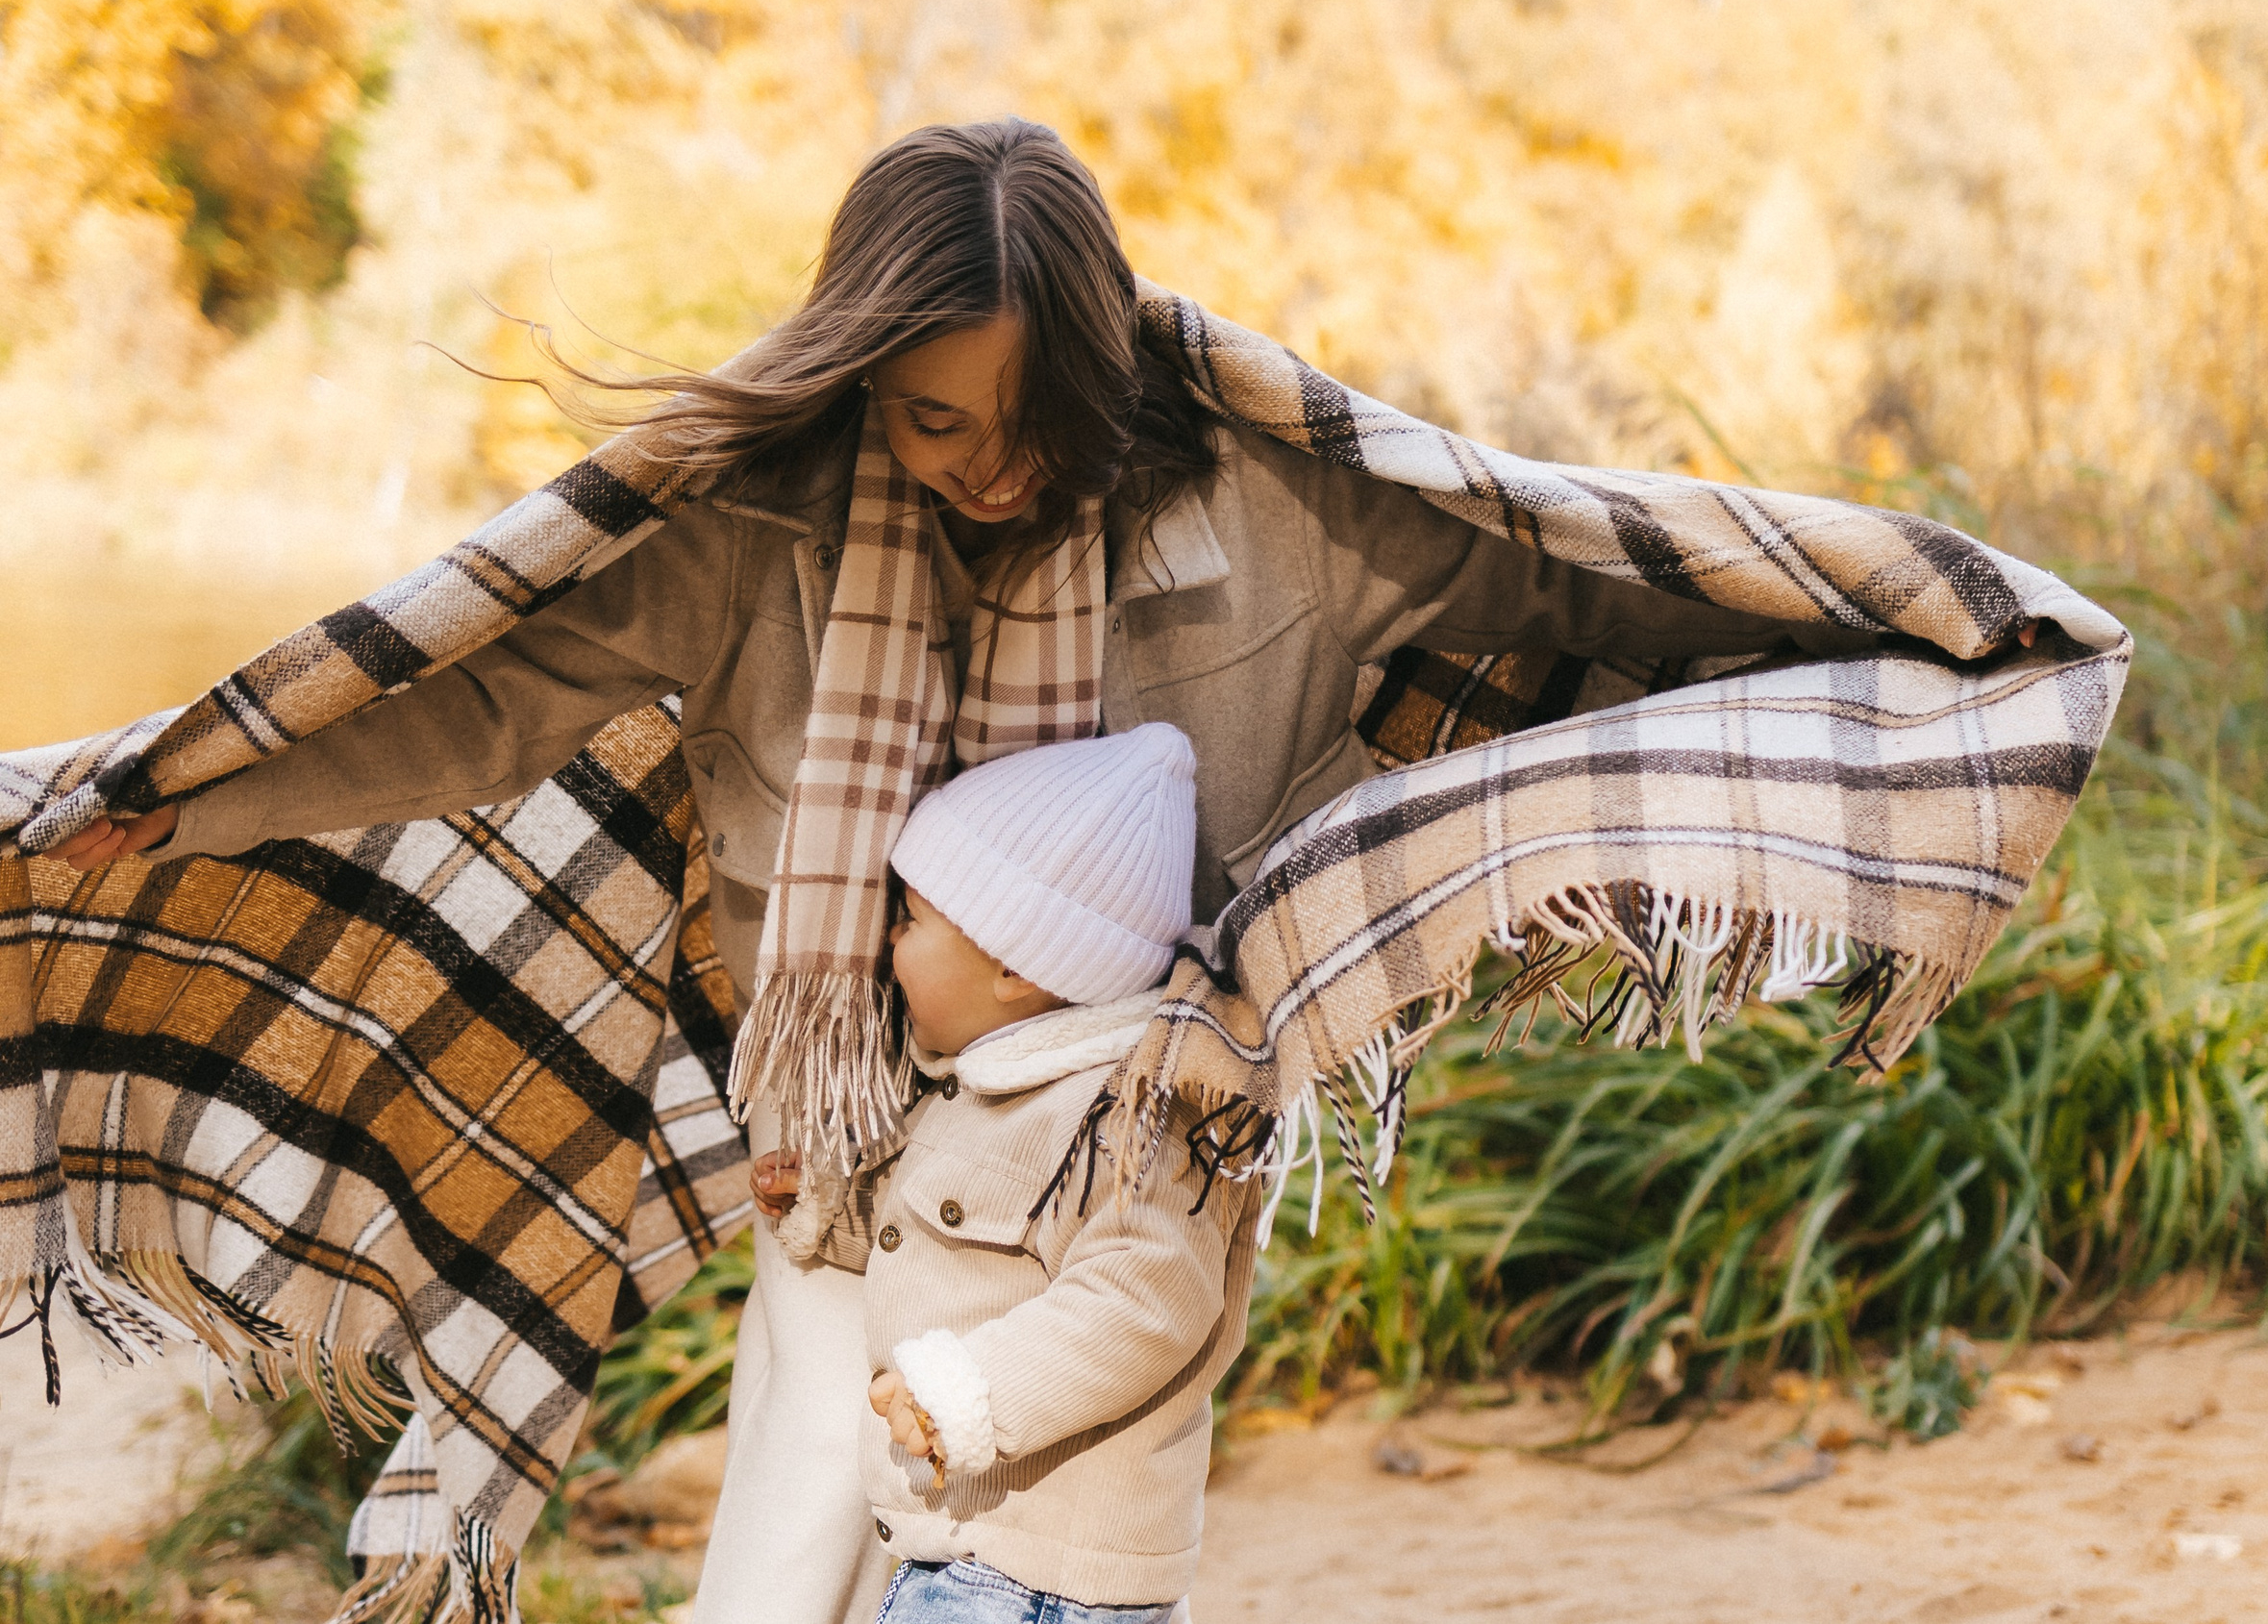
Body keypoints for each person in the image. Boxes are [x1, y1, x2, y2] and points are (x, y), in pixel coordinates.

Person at [42, 116, 1875, 1622]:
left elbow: (1561, 567)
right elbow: (491, 689)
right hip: (843, 1156)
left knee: (1058, 1566)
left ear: (1108, 381)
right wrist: (186, 793)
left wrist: (1877, 622)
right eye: (931, 420)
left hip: (1111, 1153)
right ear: (861, 379)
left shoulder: (1280, 511)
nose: (987, 469)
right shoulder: (756, 526)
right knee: (781, 1575)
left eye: (1031, 424)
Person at [797, 721, 1241, 1623]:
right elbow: (947, 1236)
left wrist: (966, 1395)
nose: (888, 937)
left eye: (912, 919)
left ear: (1012, 963)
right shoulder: (993, 1092)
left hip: (1034, 1581)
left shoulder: (1131, 1112)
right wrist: (828, 1210)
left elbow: (1146, 1299)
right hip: (977, 1563)